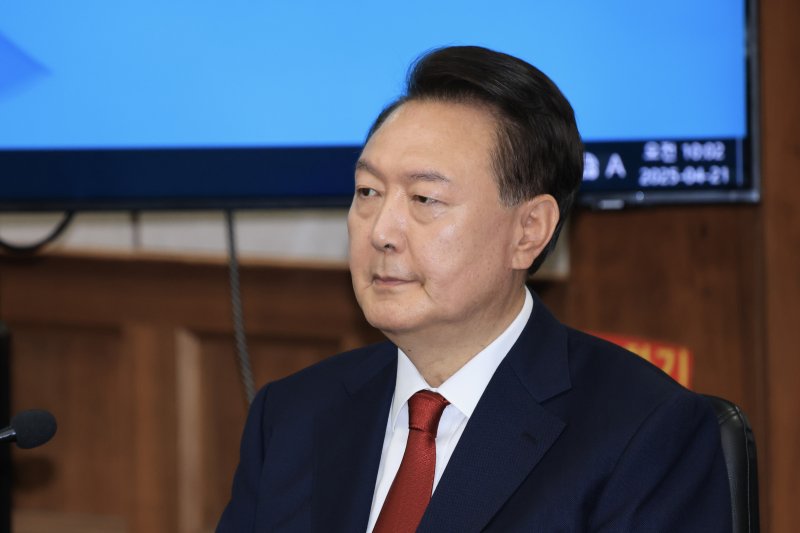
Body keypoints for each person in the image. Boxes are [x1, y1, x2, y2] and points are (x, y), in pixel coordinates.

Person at [217, 46, 731, 532]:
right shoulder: (291, 415)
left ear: (528, 231)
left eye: (425, 199)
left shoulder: (643, 433)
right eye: (368, 192)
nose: (381, 231)